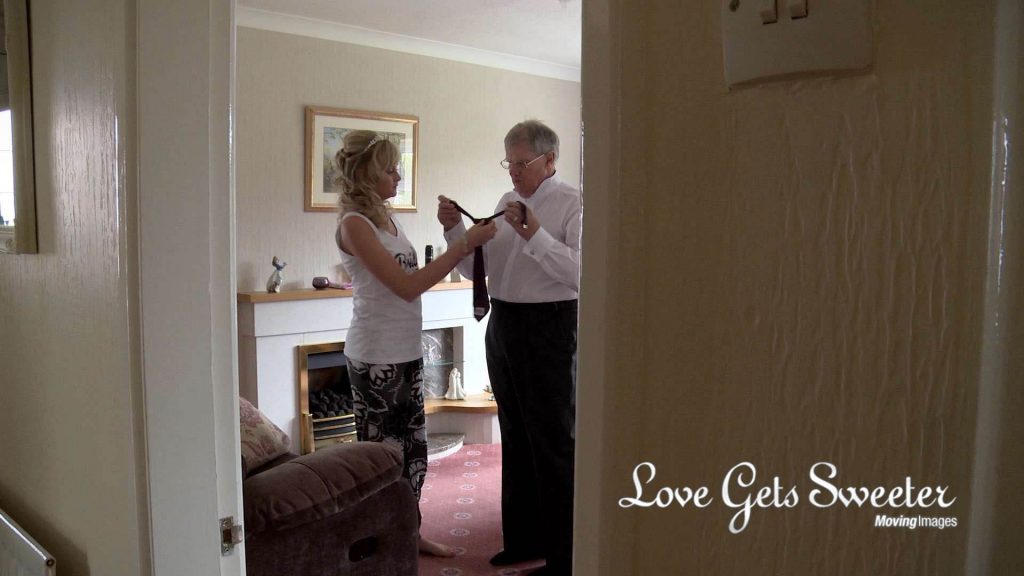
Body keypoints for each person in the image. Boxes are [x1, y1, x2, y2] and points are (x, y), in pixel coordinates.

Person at [334, 129, 497, 557]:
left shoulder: (388, 218)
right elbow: (406, 287)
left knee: (415, 453)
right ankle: (374, 543)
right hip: (374, 357)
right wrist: (463, 243)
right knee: (380, 460)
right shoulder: (354, 225)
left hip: (405, 351)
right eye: (390, 169)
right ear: (368, 174)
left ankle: (409, 532)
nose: (399, 177)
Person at [437, 120, 581, 575]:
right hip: (504, 324)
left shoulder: (573, 204)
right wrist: (455, 230)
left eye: (523, 163)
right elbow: (475, 271)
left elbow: (582, 274)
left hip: (551, 327)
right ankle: (524, 540)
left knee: (554, 443)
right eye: (510, 162)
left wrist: (535, 234)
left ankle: (565, 559)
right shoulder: (506, 203)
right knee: (514, 437)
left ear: (550, 160)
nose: (514, 172)